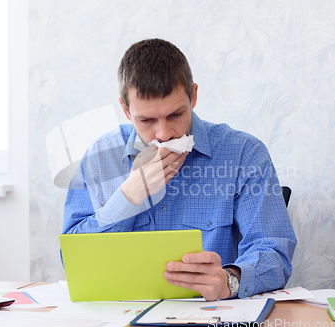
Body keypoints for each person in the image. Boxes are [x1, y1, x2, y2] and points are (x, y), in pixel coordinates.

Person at [63, 38, 297, 301]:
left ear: (193, 96)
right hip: (120, 317)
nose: (163, 134)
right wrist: (128, 198)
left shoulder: (244, 153)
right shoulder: (99, 157)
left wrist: (229, 280)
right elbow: (72, 259)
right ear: (126, 111)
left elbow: (274, 251)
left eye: (175, 115)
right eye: (147, 120)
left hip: (211, 320)